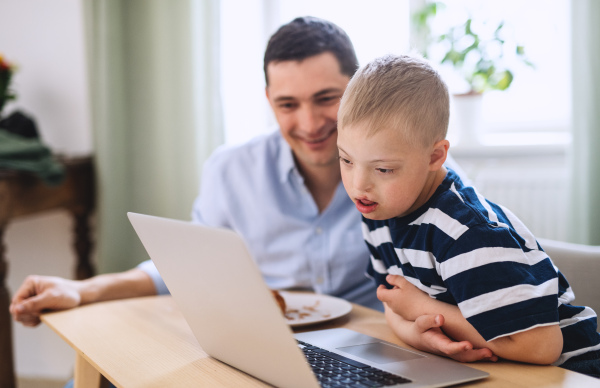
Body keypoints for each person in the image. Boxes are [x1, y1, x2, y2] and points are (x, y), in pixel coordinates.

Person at [10, 17, 468, 336]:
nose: (309, 125)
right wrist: (81, 288)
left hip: (380, 344)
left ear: (357, 92)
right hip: (270, 343)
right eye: (288, 104)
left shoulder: (416, 174)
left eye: (326, 98)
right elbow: (184, 267)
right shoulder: (232, 171)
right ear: (269, 100)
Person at [336, 53, 600, 376]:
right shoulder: (377, 210)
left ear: (435, 156)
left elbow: (542, 346)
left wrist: (425, 309)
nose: (358, 185)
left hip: (573, 371)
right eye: (346, 160)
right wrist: (419, 335)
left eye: (383, 169)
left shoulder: (466, 231)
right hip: (494, 370)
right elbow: (393, 304)